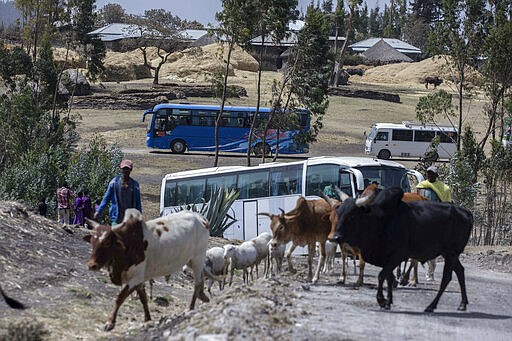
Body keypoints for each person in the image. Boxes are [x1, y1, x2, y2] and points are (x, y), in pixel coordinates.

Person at [416, 165, 451, 281]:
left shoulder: (444, 189)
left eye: (432, 174)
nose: (430, 175)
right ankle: (414, 274)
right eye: (428, 173)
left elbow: (447, 206)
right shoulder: (421, 187)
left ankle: (430, 273)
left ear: (437, 175)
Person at [93, 159, 142, 225]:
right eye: (124, 169)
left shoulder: (135, 185)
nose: (125, 171)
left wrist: (139, 216)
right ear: (121, 169)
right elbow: (106, 199)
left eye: (127, 169)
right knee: (116, 234)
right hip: (116, 217)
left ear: (131, 170)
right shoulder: (114, 183)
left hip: (130, 218)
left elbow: (138, 203)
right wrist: (98, 211)